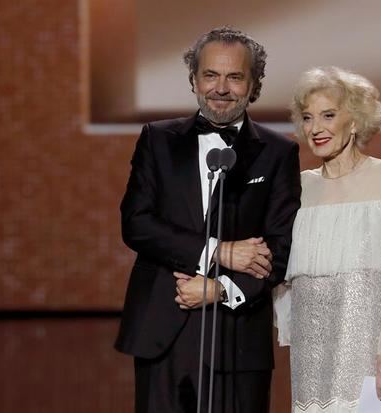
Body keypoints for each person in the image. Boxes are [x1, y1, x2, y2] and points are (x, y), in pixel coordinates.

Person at [115, 27, 301, 413]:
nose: (221, 87)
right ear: (194, 79)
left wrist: (219, 289)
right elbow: (137, 223)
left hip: (238, 336)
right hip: (162, 329)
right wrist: (219, 252)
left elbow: (281, 250)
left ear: (254, 84)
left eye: (235, 77)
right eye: (211, 75)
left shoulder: (278, 152)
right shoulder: (157, 139)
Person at [273, 66, 381, 412]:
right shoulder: (300, 186)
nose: (315, 128)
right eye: (308, 117)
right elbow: (284, 270)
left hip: (367, 342)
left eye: (328, 115)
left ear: (356, 120)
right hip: (311, 342)